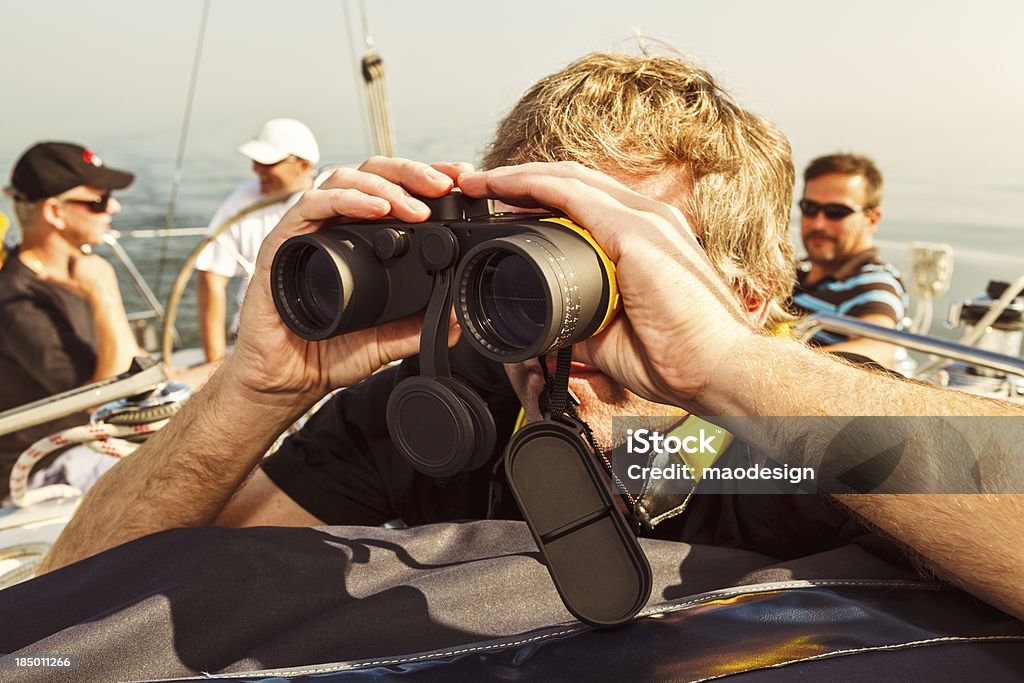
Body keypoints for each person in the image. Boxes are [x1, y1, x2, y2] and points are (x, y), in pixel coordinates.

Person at [41, 51, 1024, 625]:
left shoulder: (791, 442)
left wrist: (727, 366)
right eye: (513, 260)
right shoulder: (442, 405)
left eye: (603, 271)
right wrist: (252, 387)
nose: (551, 329)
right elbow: (79, 610)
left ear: (744, 290)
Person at [0, 142, 142, 500]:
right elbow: (105, 397)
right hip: (43, 466)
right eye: (98, 201)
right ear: (54, 212)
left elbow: (137, 369)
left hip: (95, 438)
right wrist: (105, 295)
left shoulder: (74, 277)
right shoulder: (16, 301)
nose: (114, 207)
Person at [195, 118, 320, 362]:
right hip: (252, 341)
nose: (256, 169)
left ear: (303, 165)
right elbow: (210, 279)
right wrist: (214, 361)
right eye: (255, 161)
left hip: (321, 337)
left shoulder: (331, 198)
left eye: (267, 163)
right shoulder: (241, 202)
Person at [790, 153, 908, 365]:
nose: (818, 224)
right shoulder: (792, 270)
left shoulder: (874, 284)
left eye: (836, 212)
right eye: (810, 208)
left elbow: (876, 348)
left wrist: (772, 360)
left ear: (872, 219)